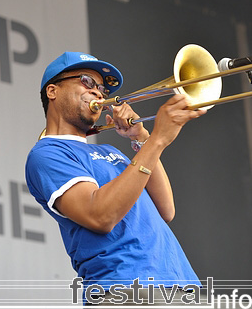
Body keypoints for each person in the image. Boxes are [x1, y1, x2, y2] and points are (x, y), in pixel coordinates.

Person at [25, 51, 207, 306]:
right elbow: (100, 216)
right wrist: (158, 139)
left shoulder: (109, 151)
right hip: (126, 288)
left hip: (182, 285)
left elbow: (165, 209)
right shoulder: (48, 153)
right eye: (87, 81)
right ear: (53, 91)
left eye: (101, 89)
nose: (99, 93)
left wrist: (142, 137)